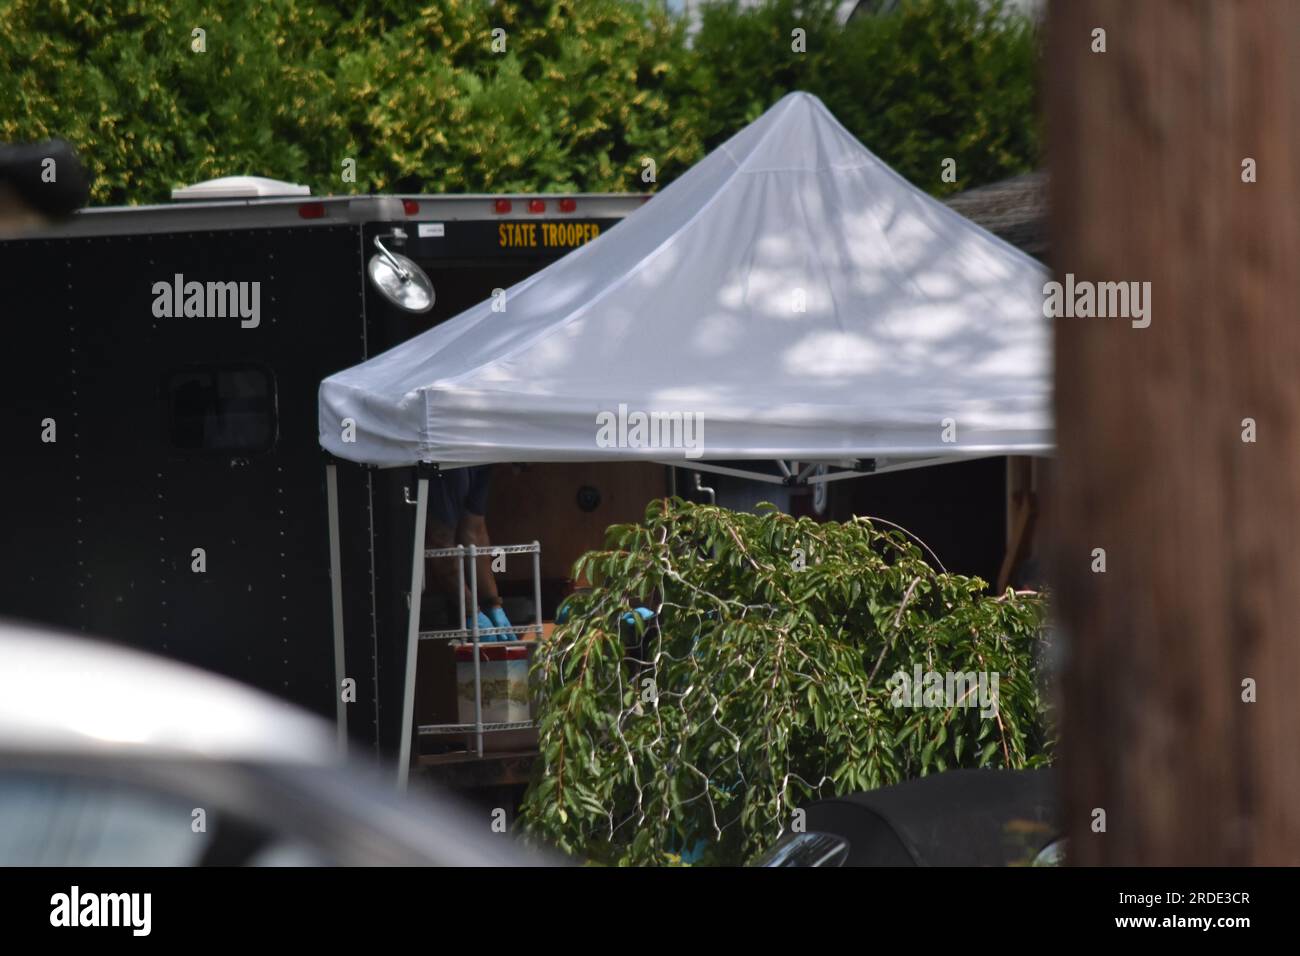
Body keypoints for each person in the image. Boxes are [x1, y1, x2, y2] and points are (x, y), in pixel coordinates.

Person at [425, 465, 512, 638]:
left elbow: (475, 531)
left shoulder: (483, 462)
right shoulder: (452, 466)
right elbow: (439, 541)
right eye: (521, 465)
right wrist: (472, 612)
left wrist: (493, 604)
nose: (516, 473)